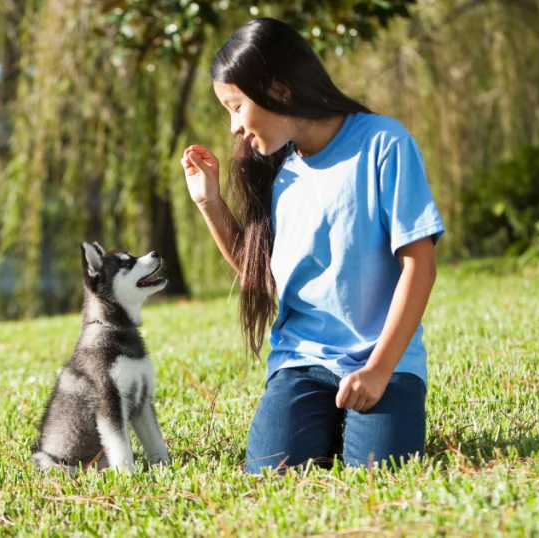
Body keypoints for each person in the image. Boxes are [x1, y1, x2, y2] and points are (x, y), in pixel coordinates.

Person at [180, 17, 445, 474]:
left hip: (385, 360)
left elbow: (419, 266)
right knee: (270, 474)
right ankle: (327, 420)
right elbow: (258, 274)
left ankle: (352, 420)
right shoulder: (276, 167)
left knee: (380, 477)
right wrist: (210, 202)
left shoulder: (384, 142)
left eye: (237, 107)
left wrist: (379, 369)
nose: (232, 128)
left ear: (279, 90)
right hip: (302, 362)